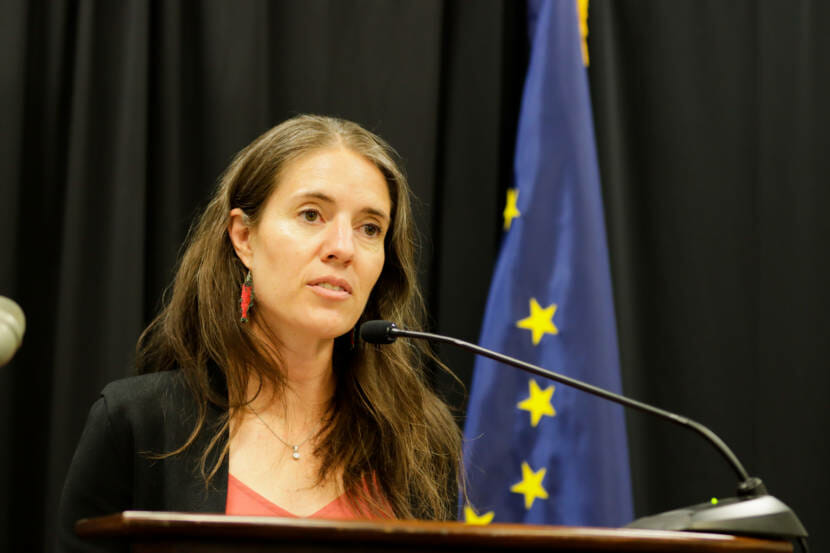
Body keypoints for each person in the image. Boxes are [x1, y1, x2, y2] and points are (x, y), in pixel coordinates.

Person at [58, 115, 462, 551]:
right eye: (312, 215)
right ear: (244, 237)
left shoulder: (417, 436)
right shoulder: (138, 422)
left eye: (370, 228)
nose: (343, 247)